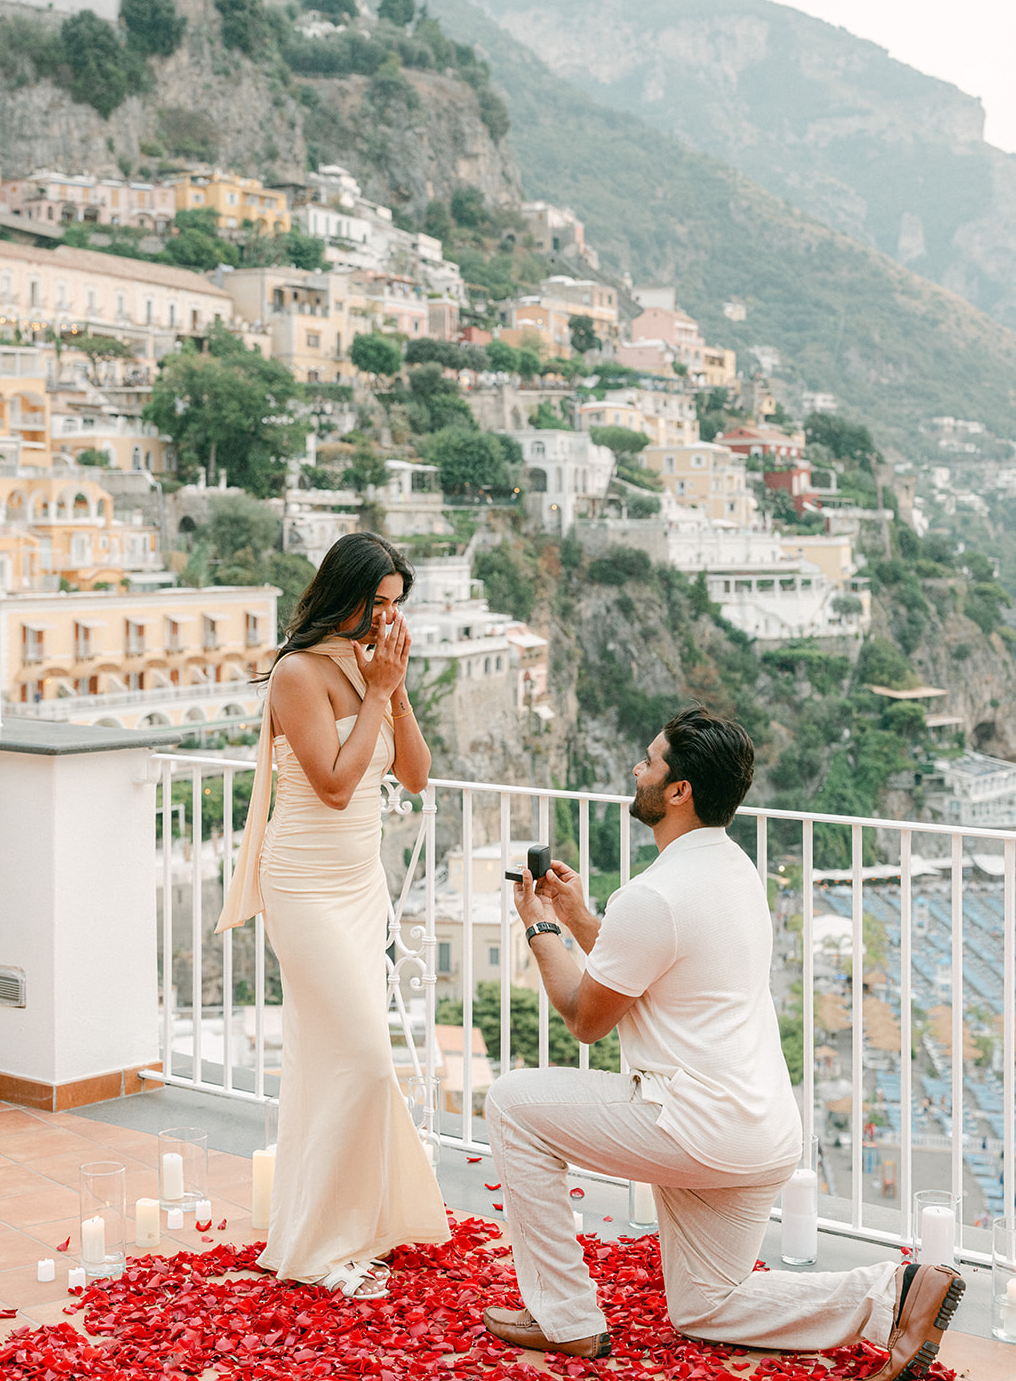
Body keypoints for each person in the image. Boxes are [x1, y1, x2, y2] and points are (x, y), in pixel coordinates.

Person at [482, 706, 964, 1379]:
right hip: (759, 1131)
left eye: (648, 762)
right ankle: (895, 1292)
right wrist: (580, 919)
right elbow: (648, 972)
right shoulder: (733, 871)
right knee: (706, 1306)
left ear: (677, 790)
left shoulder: (654, 895)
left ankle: (564, 1318)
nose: (636, 769)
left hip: (692, 1127)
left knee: (510, 1102)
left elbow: (585, 1016)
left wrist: (539, 928)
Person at [216, 532, 449, 1297]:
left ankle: (353, 1224)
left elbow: (412, 777)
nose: (385, 620)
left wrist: (398, 689)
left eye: (394, 608)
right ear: (343, 593)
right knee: (365, 1060)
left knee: (332, 1060)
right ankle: (322, 1245)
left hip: (360, 887)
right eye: (376, 603)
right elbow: (334, 786)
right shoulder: (296, 674)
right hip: (306, 886)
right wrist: (377, 695)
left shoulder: (371, 669)